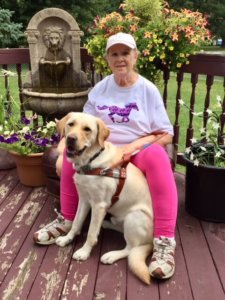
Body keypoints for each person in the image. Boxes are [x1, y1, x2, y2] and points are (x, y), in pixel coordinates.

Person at [33, 32, 178, 280]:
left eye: (125, 53)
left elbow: (166, 133)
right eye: (114, 54)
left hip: (136, 149)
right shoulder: (100, 89)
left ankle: (164, 241)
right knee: (71, 156)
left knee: (157, 157)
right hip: (101, 147)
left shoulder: (147, 90)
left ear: (135, 56)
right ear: (107, 59)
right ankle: (67, 222)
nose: (120, 59)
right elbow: (80, 126)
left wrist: (131, 148)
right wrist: (60, 151)